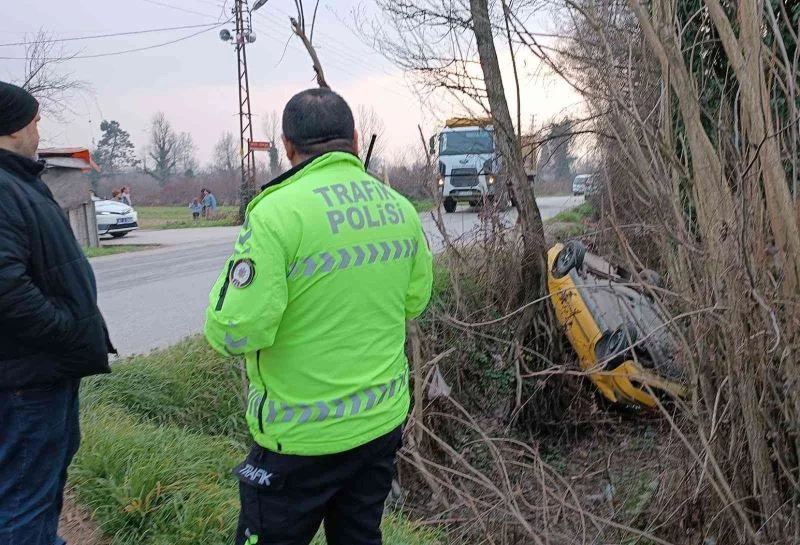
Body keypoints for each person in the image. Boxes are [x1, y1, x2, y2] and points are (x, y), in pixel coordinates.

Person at [204, 88, 433, 545]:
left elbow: (234, 330)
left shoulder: (275, 214)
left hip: (298, 441)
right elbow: (415, 302)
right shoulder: (400, 210)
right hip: (379, 427)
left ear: (287, 146)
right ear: (352, 138)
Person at [0, 81, 115, 545]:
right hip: (27, 380)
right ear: (12, 126)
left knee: (36, 490)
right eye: (35, 120)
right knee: (23, 500)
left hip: (34, 374)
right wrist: (65, 330)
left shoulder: (17, 180)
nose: (38, 128)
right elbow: (6, 286)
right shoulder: (4, 188)